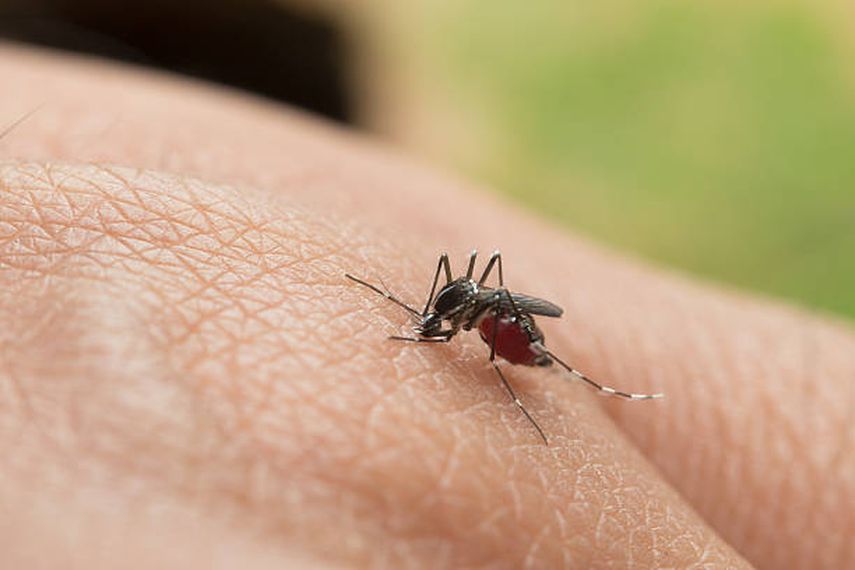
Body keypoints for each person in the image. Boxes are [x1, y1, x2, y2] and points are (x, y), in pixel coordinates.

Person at [0, 44, 852, 569]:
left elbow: (480, 304)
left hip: (499, 315)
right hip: (478, 307)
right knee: (470, 287)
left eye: (441, 319)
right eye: (441, 319)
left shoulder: (483, 316)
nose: (437, 324)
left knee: (499, 319)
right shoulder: (452, 296)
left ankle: (538, 376)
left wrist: (497, 340)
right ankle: (547, 370)